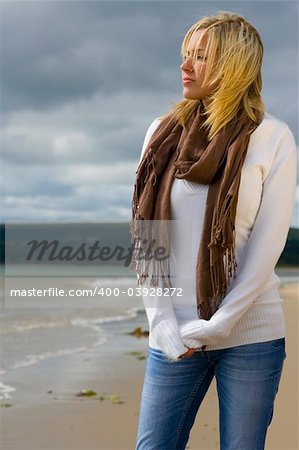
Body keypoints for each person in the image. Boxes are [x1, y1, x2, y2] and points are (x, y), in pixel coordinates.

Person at [130, 11, 297, 450]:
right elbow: (148, 237)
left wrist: (222, 323)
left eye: (200, 56)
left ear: (234, 65)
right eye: (186, 55)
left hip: (252, 333)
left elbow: (268, 243)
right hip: (175, 335)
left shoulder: (273, 137)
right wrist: (161, 321)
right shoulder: (160, 134)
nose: (185, 66)